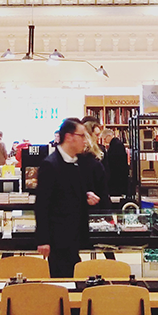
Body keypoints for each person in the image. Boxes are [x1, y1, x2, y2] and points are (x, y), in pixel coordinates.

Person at [34, 117, 100, 278]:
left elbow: (65, 192)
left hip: (73, 235)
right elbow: (42, 204)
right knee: (62, 280)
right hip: (58, 238)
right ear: (70, 137)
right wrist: (43, 239)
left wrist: (86, 196)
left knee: (73, 277)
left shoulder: (76, 162)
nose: (85, 140)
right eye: (82, 136)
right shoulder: (50, 164)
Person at [102, 127, 130, 199]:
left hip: (117, 179)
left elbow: (113, 163)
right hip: (120, 177)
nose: (104, 141)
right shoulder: (116, 143)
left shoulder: (115, 145)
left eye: (105, 139)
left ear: (109, 136)